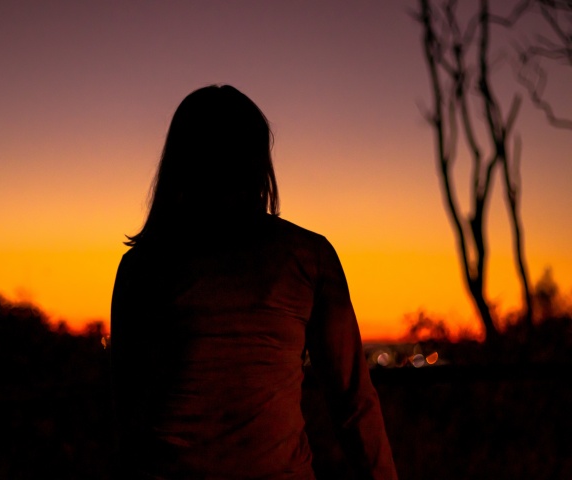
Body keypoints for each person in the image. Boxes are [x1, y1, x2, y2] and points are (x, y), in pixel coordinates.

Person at [111, 85, 397, 479]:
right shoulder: (307, 256)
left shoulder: (141, 266)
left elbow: (127, 407)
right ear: (258, 161)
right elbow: (353, 404)